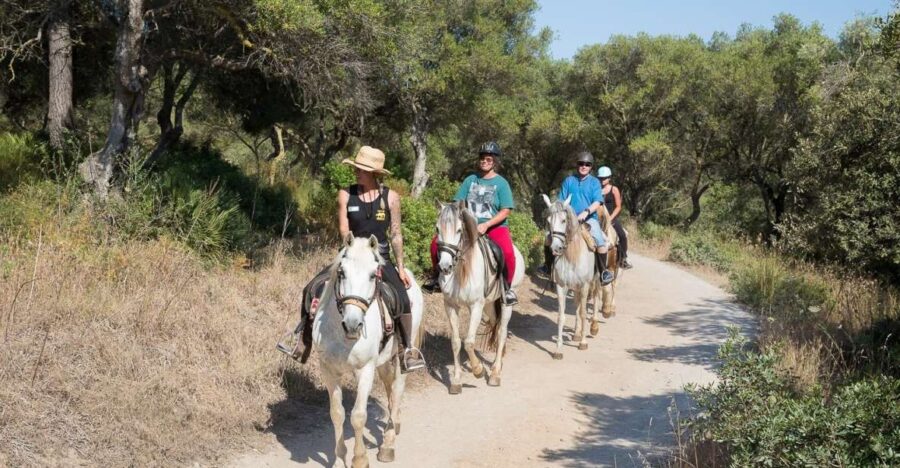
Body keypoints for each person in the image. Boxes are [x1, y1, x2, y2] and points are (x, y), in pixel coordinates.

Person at [290, 146, 425, 372]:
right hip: (351, 254)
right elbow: (344, 228)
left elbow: (396, 234)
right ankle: (303, 342)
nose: (357, 172)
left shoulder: (391, 198)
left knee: (402, 297)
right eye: (357, 168)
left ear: (374, 173)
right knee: (311, 288)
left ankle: (406, 350)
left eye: (362, 170)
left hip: (379, 257)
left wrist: (400, 267)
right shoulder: (345, 194)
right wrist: (351, 246)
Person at [423, 141, 519, 306]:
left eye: (488, 159)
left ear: (495, 161)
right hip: (468, 226)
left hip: (494, 227)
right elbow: (457, 203)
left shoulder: (502, 183)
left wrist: (486, 225)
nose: (484, 161)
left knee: (508, 253)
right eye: (482, 158)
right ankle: (436, 277)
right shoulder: (470, 180)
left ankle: (507, 288)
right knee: (435, 244)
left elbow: (505, 210)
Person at [537, 151, 614, 284]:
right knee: (549, 238)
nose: (584, 166)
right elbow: (561, 201)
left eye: (587, 164)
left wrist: (586, 212)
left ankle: (603, 273)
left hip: (589, 218)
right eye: (581, 163)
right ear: (577, 165)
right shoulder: (569, 181)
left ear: (591, 167)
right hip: (569, 219)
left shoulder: (594, 182)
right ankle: (547, 267)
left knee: (600, 242)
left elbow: (597, 201)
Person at [598, 165, 632, 269]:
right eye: (600, 178)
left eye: (604, 178)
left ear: (609, 178)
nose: (602, 180)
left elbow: (618, 206)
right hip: (597, 218)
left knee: (622, 235)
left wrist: (610, 218)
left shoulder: (614, 189)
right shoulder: (596, 189)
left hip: (611, 218)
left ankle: (623, 259)